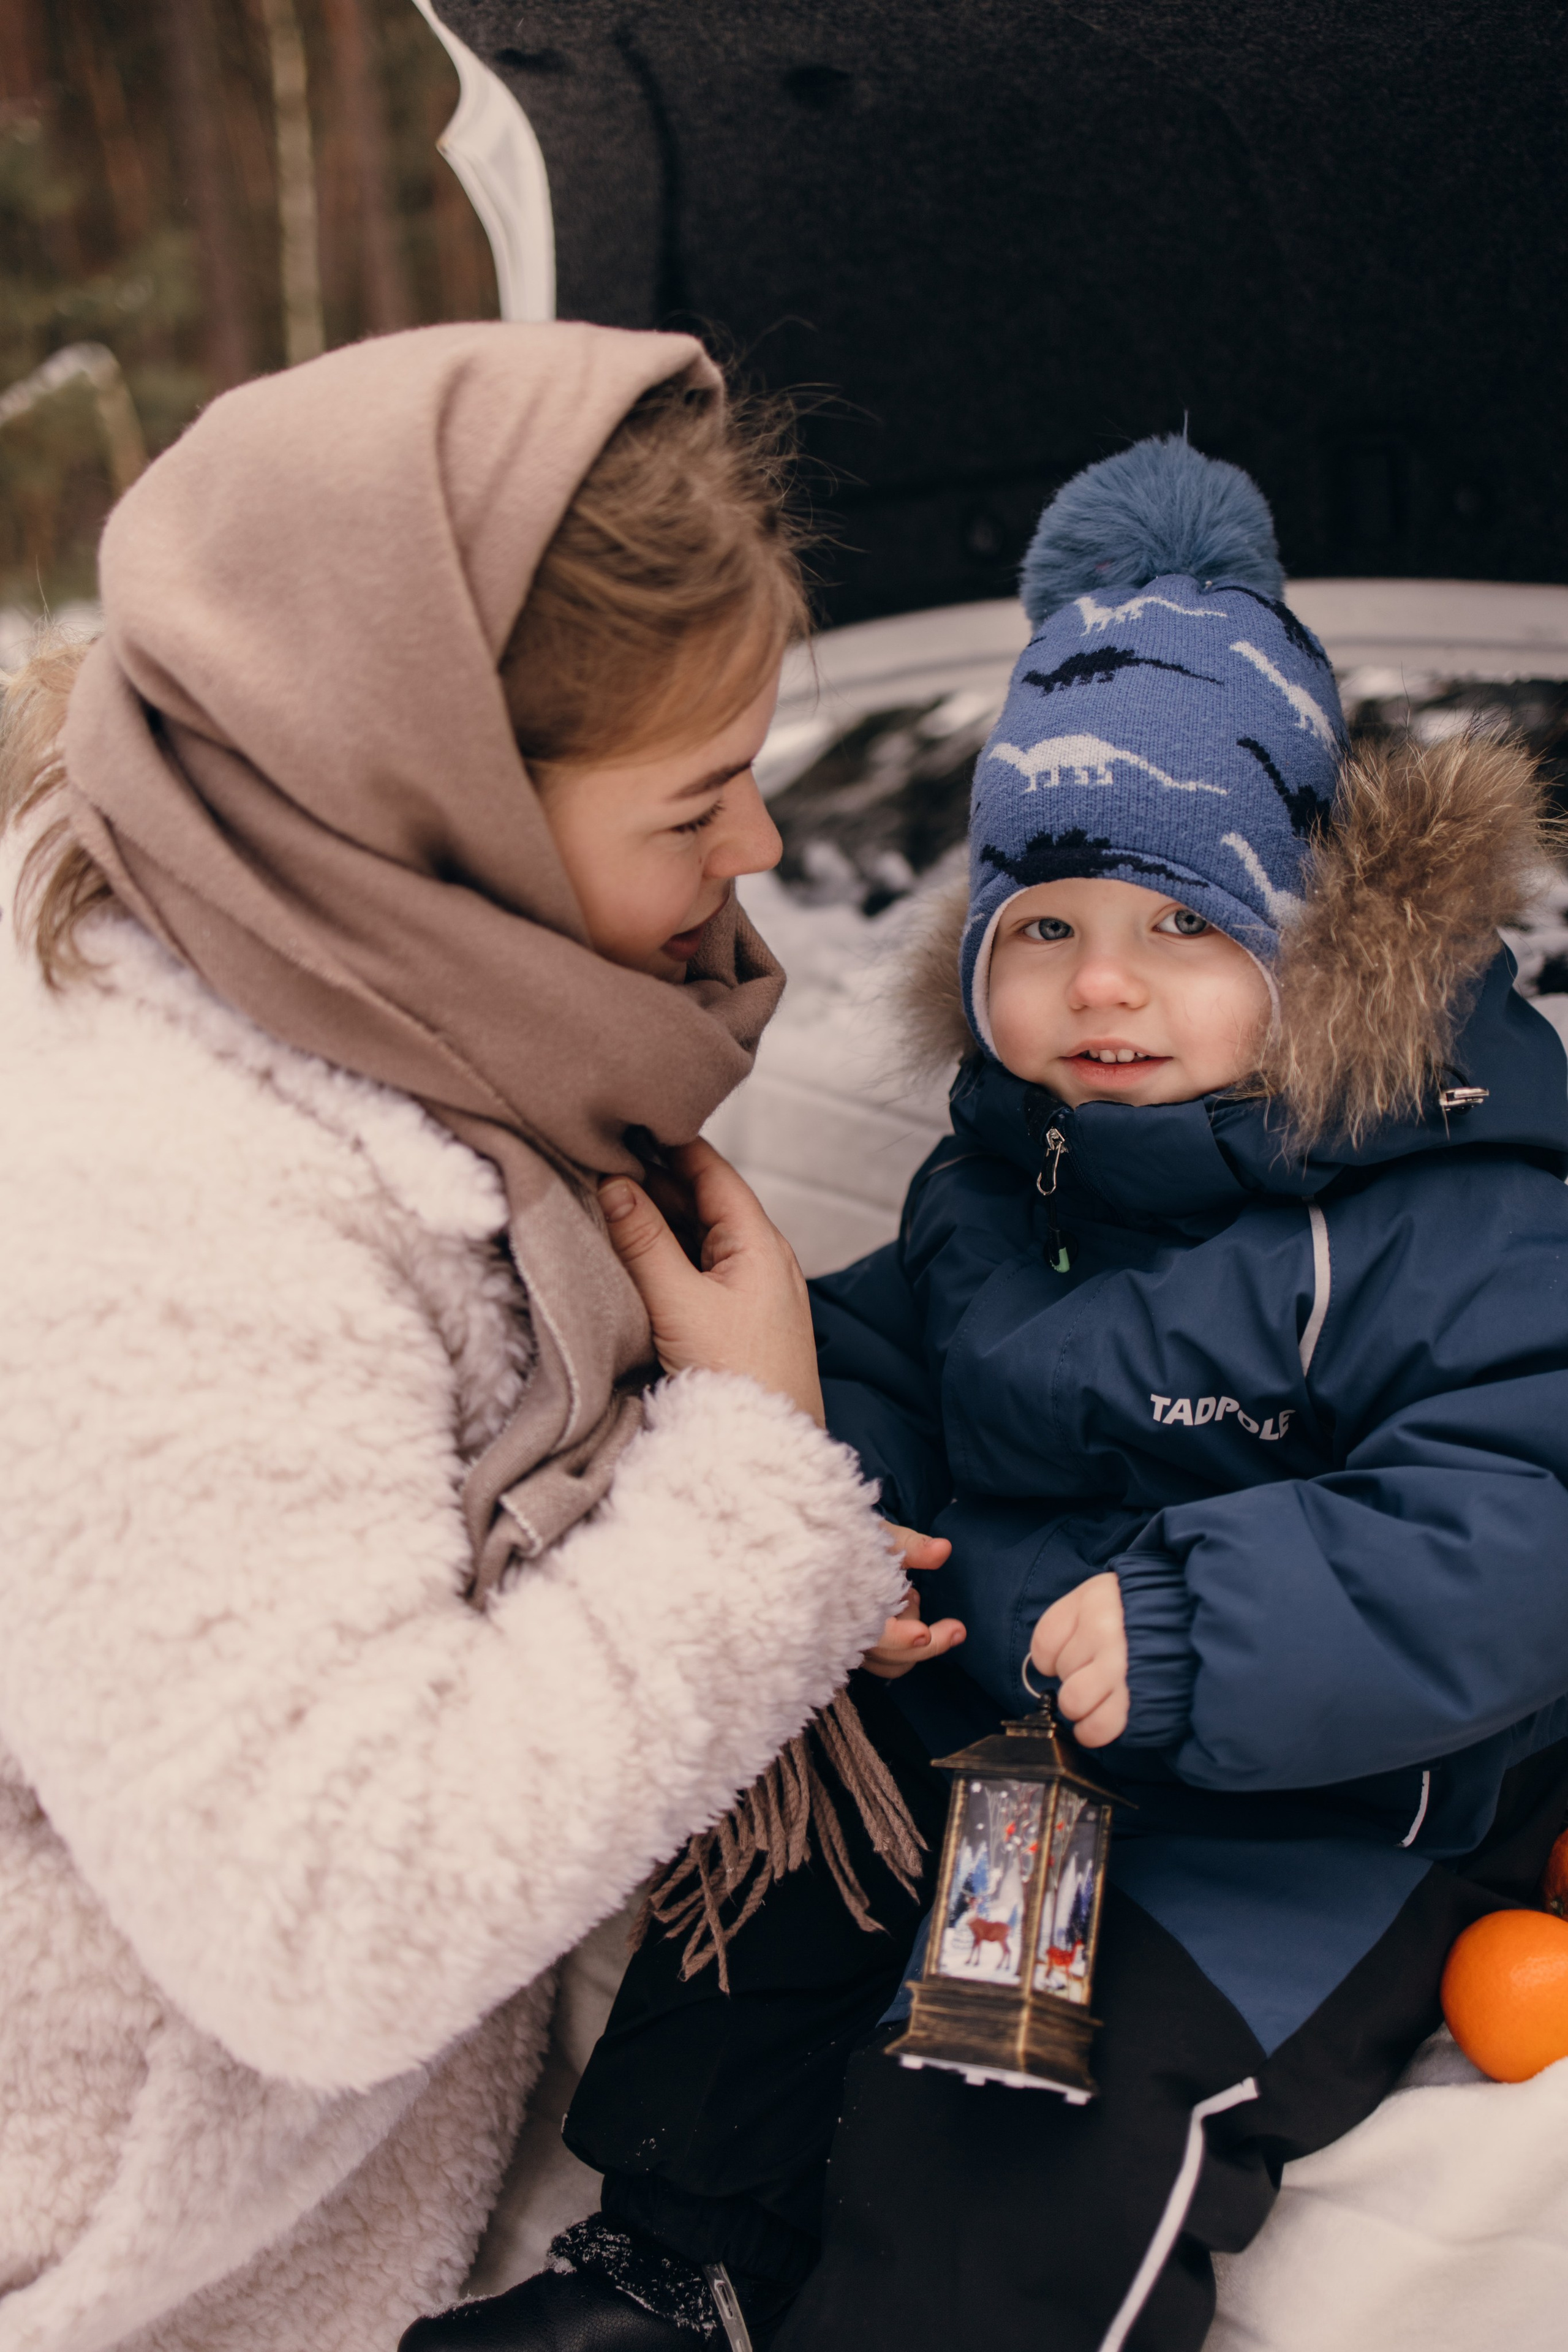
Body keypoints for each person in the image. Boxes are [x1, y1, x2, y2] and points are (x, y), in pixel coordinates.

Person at [458, 438, 1568, 2352]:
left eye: (1183, 927)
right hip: (1008, 1741)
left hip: (1313, 1804)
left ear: (1311, 942)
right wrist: (843, 1514)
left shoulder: (1449, 1195)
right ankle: (673, 2264)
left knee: (1020, 2106)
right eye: (1044, 928)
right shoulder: (1010, 1170)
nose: (1101, 989)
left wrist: (1205, 1632)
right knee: (774, 1891)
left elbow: (1512, 1516)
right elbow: (895, 1352)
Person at [0, 321, 919, 2352]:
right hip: (158, 2268)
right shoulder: (149, 1213)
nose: (756, 856)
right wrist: (754, 1485)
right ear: (432, 803)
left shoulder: (363, 975)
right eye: (696, 805)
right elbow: (331, 1925)